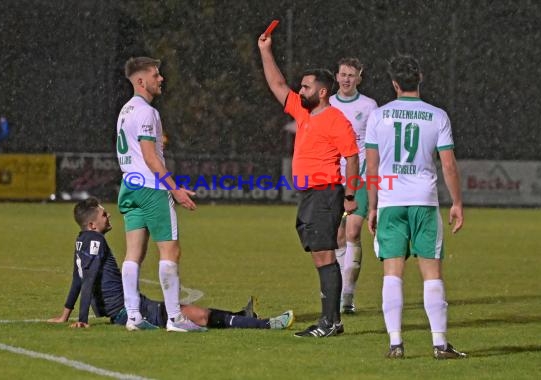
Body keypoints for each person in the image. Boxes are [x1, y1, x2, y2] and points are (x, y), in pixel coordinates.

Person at [48, 198, 295, 331]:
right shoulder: (95, 242)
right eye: (103, 214)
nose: (108, 215)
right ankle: (267, 324)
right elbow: (87, 279)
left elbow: (77, 279)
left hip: (128, 309)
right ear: (92, 225)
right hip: (129, 310)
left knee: (189, 310)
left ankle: (243, 316)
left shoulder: (81, 241)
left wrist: (64, 315)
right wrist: (83, 319)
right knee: (198, 316)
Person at [258, 32, 359, 338]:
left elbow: (352, 158)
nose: (300, 90)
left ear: (323, 91)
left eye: (306, 86)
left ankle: (330, 322)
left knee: (325, 256)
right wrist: (265, 50)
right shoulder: (304, 112)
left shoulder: (336, 120)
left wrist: (351, 195)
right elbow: (276, 85)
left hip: (326, 194)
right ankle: (331, 321)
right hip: (311, 195)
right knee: (320, 255)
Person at [365, 55, 467, 359]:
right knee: (431, 273)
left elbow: (371, 168)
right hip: (424, 201)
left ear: (394, 83)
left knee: (392, 273)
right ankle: (439, 344)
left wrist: (372, 206)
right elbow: (448, 164)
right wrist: (458, 203)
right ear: (419, 78)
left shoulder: (378, 116)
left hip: (390, 200)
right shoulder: (437, 115)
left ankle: (396, 344)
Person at [116, 57, 200, 332]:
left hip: (130, 184)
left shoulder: (126, 110)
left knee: (133, 254)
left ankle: (133, 317)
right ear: (141, 81)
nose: (161, 78)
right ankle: (175, 319)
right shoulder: (146, 112)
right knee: (170, 251)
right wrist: (174, 188)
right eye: (156, 75)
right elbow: (151, 157)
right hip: (152, 188)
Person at [330, 57, 378, 314]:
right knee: (336, 236)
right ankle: (338, 292)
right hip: (330, 177)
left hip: (357, 176)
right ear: (336, 77)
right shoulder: (328, 103)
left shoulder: (369, 106)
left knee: (352, 232)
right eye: (343, 74)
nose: (346, 79)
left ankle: (347, 296)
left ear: (359, 77)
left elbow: (372, 145)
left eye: (352, 75)